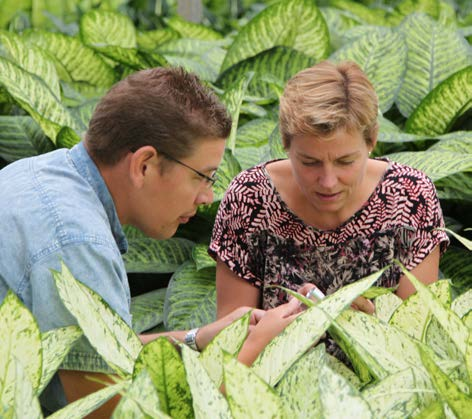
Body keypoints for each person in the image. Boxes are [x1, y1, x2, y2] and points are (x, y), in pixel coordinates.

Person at [0, 67, 300, 415]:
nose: (207, 197)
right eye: (203, 177)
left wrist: (199, 337)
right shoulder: (77, 243)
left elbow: (89, 359)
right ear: (144, 165)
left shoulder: (39, 174)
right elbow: (109, 410)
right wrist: (255, 351)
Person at [209, 60, 450, 319]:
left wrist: (371, 329)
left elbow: (420, 332)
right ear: (285, 143)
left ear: (372, 141)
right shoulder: (250, 197)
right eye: (309, 162)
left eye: (345, 162)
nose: (328, 181)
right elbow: (230, 337)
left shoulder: (410, 195)